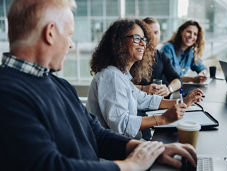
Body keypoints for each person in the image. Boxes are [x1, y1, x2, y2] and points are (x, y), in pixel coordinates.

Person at [0, 0, 198, 170]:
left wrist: (149, 149)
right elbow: (49, 166)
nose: (71, 44)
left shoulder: (59, 85)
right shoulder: (7, 94)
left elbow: (97, 134)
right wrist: (130, 165)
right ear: (50, 33)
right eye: (69, 34)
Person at [86, 19, 203, 139]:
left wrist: (183, 102)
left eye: (144, 39)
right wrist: (163, 118)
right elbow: (122, 125)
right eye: (137, 38)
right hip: (114, 151)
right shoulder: (111, 76)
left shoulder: (121, 75)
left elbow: (144, 100)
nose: (143, 43)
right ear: (119, 42)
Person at [136, 17, 182, 97]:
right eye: (149, 33)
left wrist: (169, 89)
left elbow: (177, 79)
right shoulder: (134, 55)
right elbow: (122, 85)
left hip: (159, 103)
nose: (153, 37)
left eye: (156, 32)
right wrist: (143, 88)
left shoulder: (161, 56)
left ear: (160, 34)